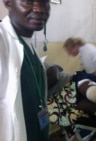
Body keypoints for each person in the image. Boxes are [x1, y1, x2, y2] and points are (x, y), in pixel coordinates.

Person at [0, 0, 50, 141]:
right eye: (28, 1)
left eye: (44, 2)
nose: (40, 9)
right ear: (8, 3)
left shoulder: (28, 43)